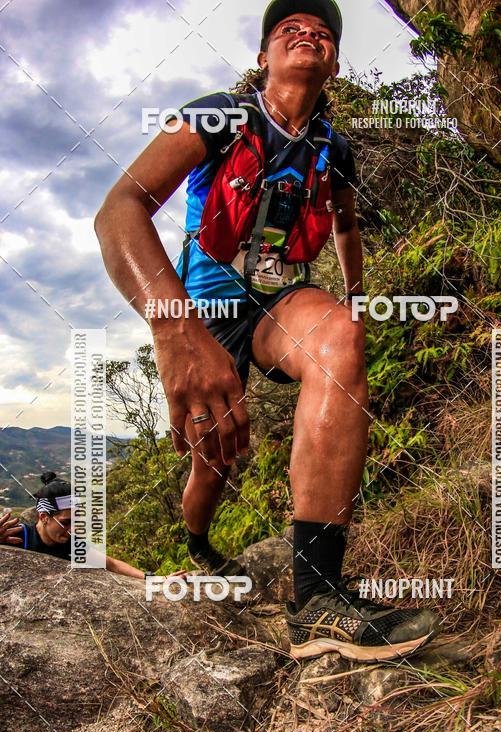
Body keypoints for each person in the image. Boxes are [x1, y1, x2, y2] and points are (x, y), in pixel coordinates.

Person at [95, 0, 440, 660]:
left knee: (340, 338)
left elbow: (344, 226)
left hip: (281, 303)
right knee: (215, 464)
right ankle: (199, 543)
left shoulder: (333, 149)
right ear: (263, 58)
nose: (306, 34)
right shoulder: (220, 117)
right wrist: (174, 331)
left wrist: (360, 296)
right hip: (205, 313)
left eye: (320, 33)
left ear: (332, 62)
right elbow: (118, 210)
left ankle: (316, 602)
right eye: (289, 29)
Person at [0, 472, 180, 581]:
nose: (72, 529)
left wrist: (156, 579)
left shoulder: (71, 544)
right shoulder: (18, 537)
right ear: (44, 517)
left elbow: (111, 564)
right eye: (65, 522)